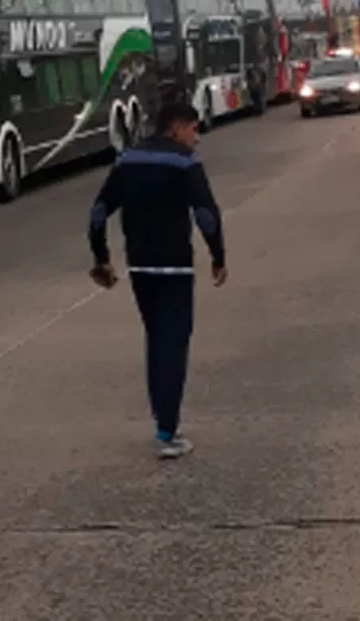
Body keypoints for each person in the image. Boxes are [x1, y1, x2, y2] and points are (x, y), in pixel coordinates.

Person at [87, 101, 227, 459]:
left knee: (156, 341)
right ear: (177, 126)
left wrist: (101, 258)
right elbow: (206, 214)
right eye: (194, 129)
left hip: (140, 268)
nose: (196, 138)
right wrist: (218, 257)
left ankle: (164, 422)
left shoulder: (128, 159)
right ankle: (168, 431)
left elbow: (99, 211)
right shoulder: (184, 162)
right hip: (175, 267)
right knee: (173, 345)